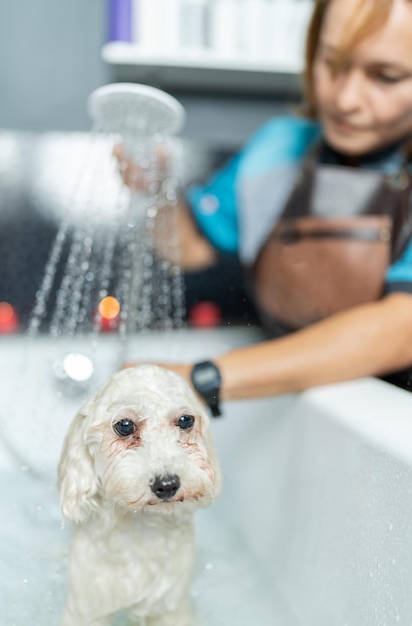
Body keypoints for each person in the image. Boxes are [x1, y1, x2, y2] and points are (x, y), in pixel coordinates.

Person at [117, 0, 412, 414]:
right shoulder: (279, 146)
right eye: (332, 62)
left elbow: (402, 327)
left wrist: (204, 378)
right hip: (306, 410)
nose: (345, 99)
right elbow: (189, 248)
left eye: (385, 77)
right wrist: (156, 189)